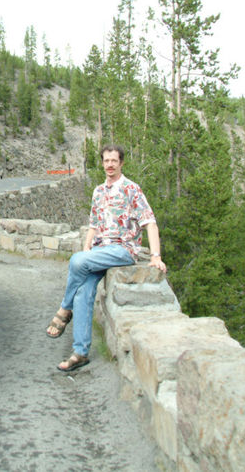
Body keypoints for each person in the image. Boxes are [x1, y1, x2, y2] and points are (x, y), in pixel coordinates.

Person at [46, 144, 167, 372]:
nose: (110, 165)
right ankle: (80, 352)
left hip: (122, 250)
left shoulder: (132, 189)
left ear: (121, 163)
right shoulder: (98, 191)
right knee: (83, 291)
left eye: (114, 161)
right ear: (102, 163)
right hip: (100, 252)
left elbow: (149, 221)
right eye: (106, 161)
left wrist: (155, 256)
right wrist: (86, 248)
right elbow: (93, 225)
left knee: (76, 261)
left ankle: (64, 310)